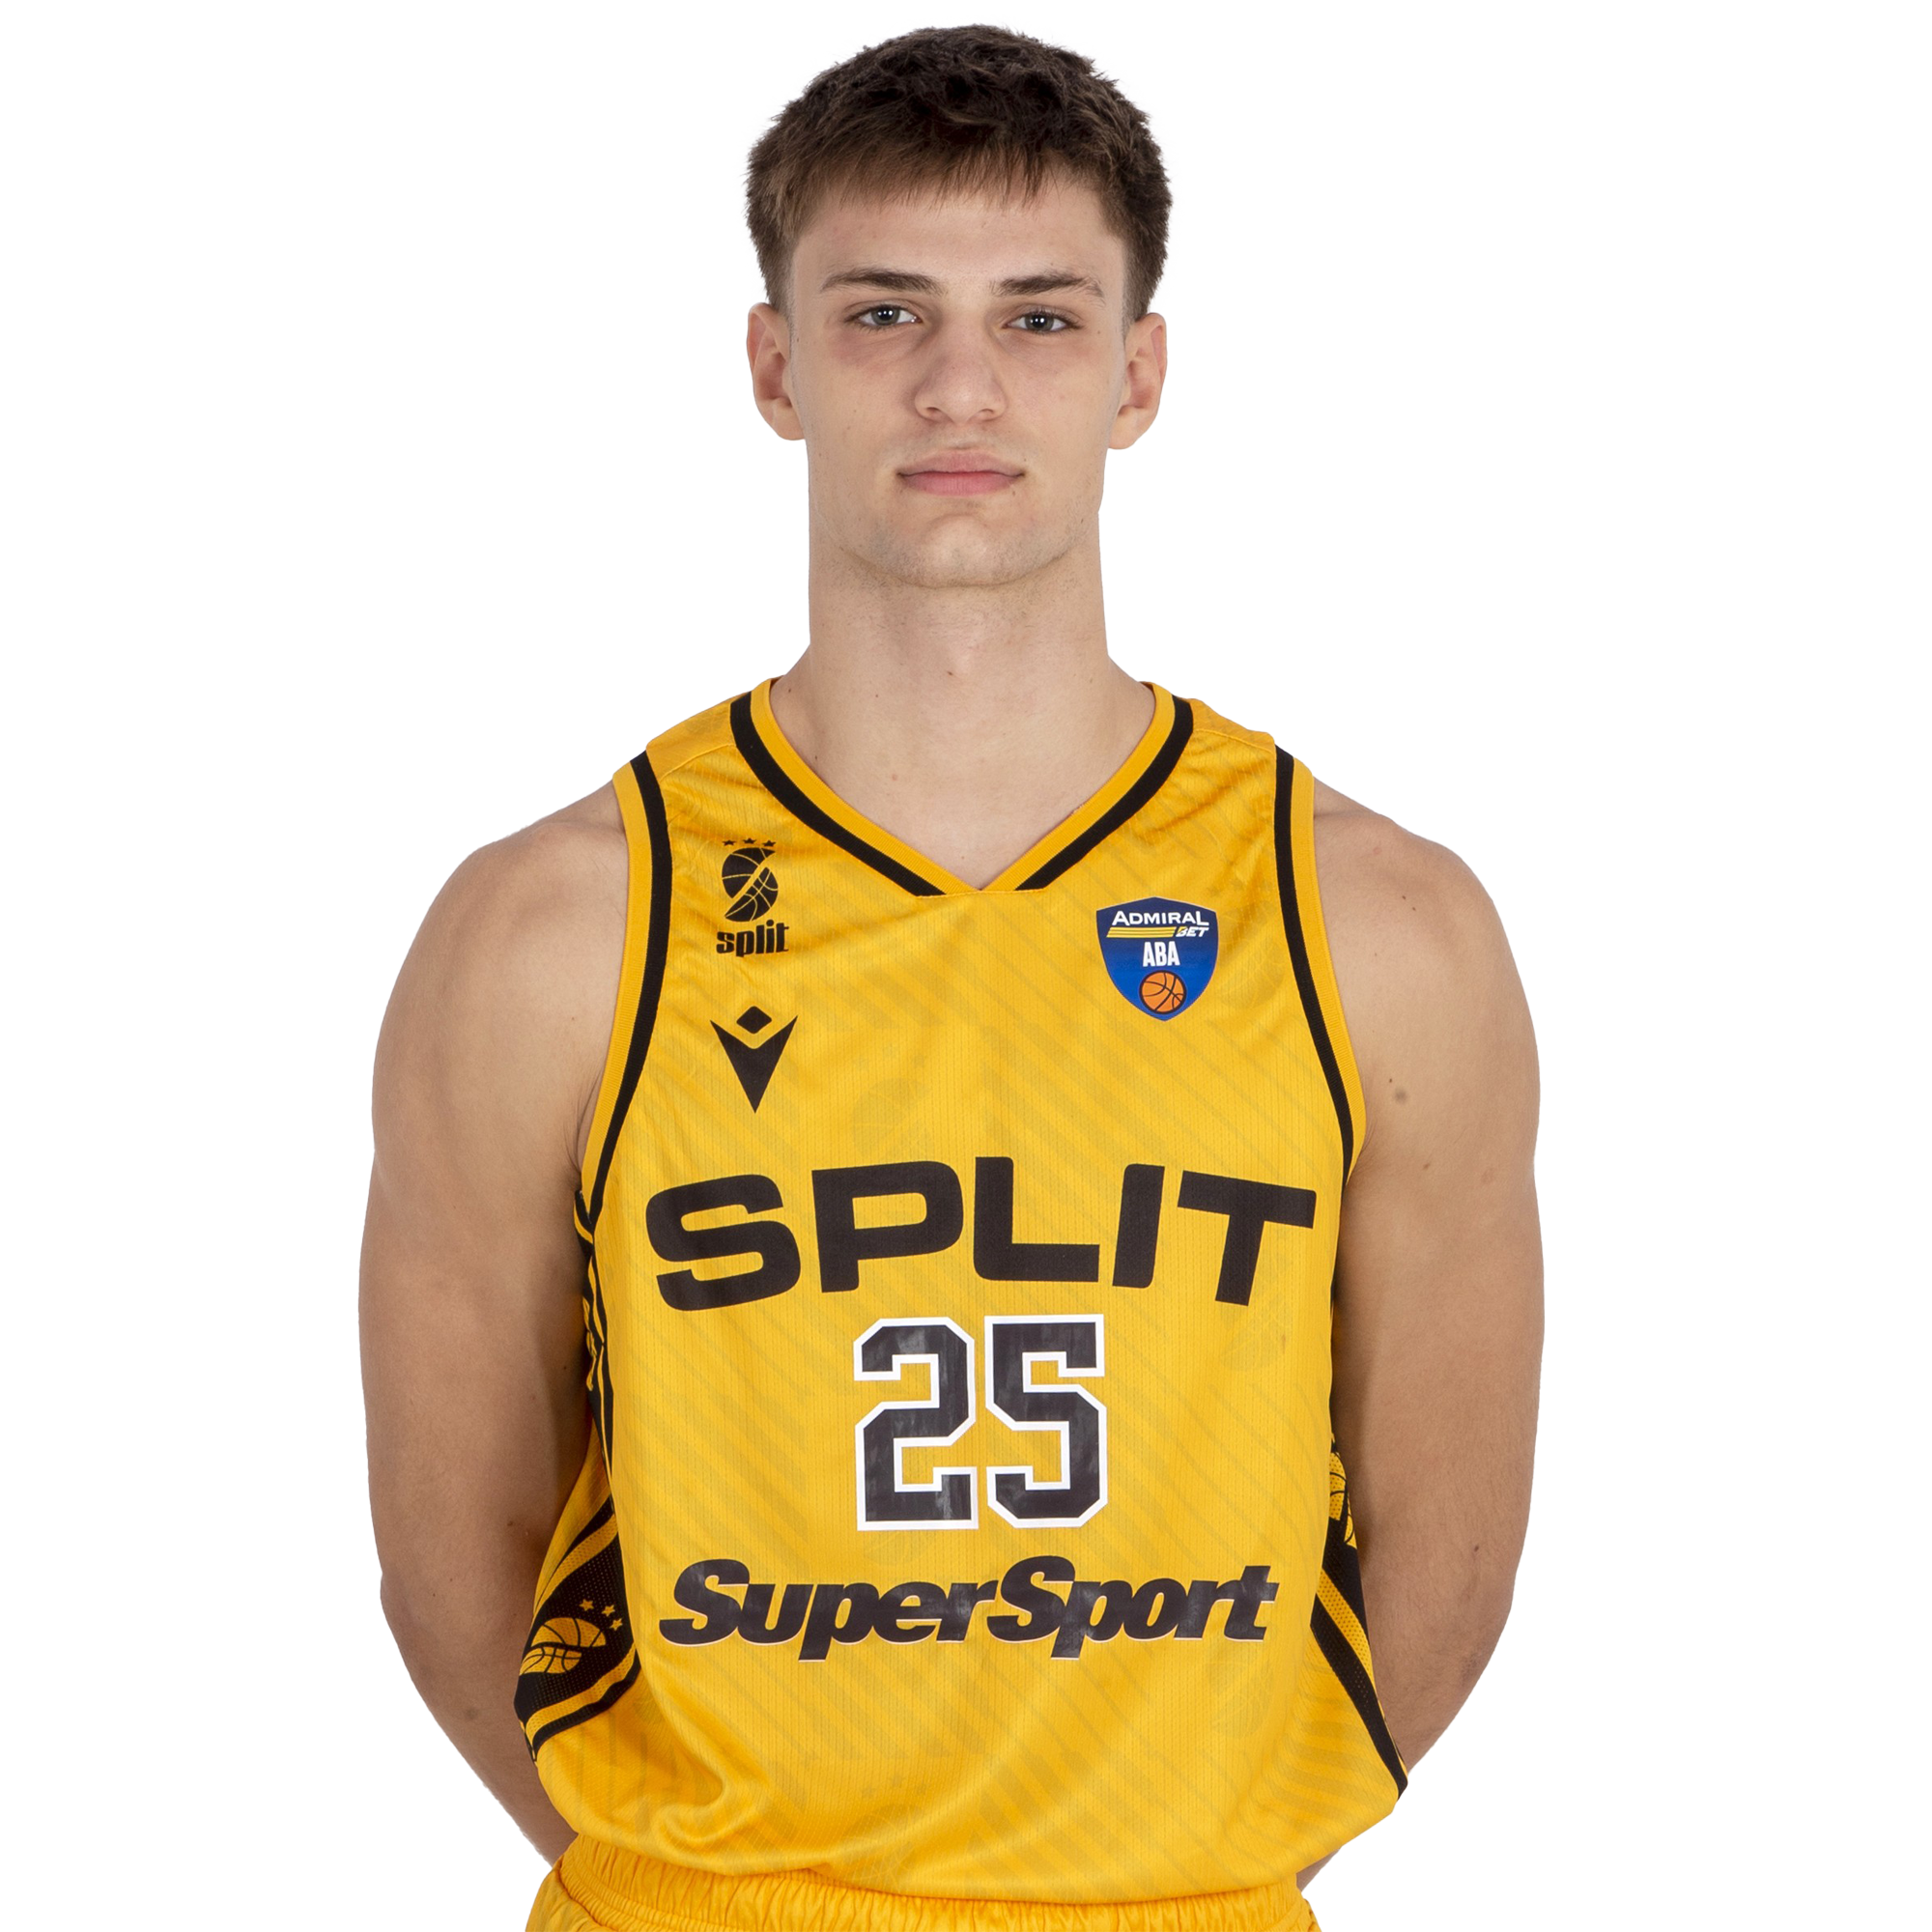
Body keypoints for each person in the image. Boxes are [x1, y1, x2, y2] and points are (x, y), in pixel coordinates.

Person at [362, 22, 1541, 1932]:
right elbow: (452, 1562)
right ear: (777, 364)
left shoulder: (1376, 928)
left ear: (1138, 373)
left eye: (1042, 317)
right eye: (885, 312)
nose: (960, 383)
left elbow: (1446, 1556)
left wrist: (1157, 1883)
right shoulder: (552, 932)